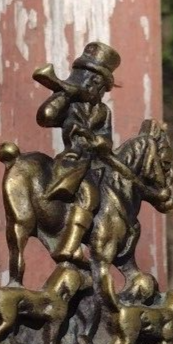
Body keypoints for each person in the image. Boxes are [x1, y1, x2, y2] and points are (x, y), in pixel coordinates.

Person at [34, 41, 121, 263]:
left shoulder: (103, 111)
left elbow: (107, 139)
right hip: (73, 160)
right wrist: (64, 93)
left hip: (97, 164)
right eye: (89, 80)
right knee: (89, 195)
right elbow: (45, 116)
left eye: (99, 83)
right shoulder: (70, 103)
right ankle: (69, 247)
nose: (93, 87)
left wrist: (100, 143)